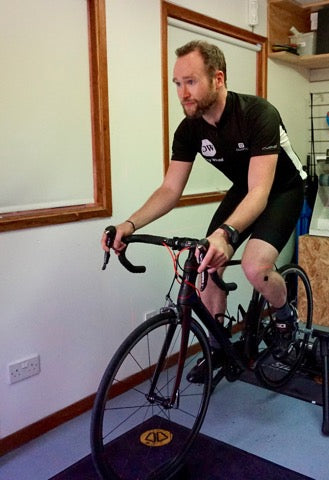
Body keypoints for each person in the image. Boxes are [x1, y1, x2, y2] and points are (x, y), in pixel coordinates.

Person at [101, 40, 306, 381]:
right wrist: (130, 224)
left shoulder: (257, 114)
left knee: (256, 267)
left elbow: (261, 191)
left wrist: (228, 234)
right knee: (207, 261)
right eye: (177, 84)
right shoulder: (190, 129)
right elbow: (170, 189)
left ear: (218, 79)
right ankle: (218, 345)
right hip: (247, 188)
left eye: (191, 81)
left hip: (281, 189)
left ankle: (284, 317)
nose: (183, 93)